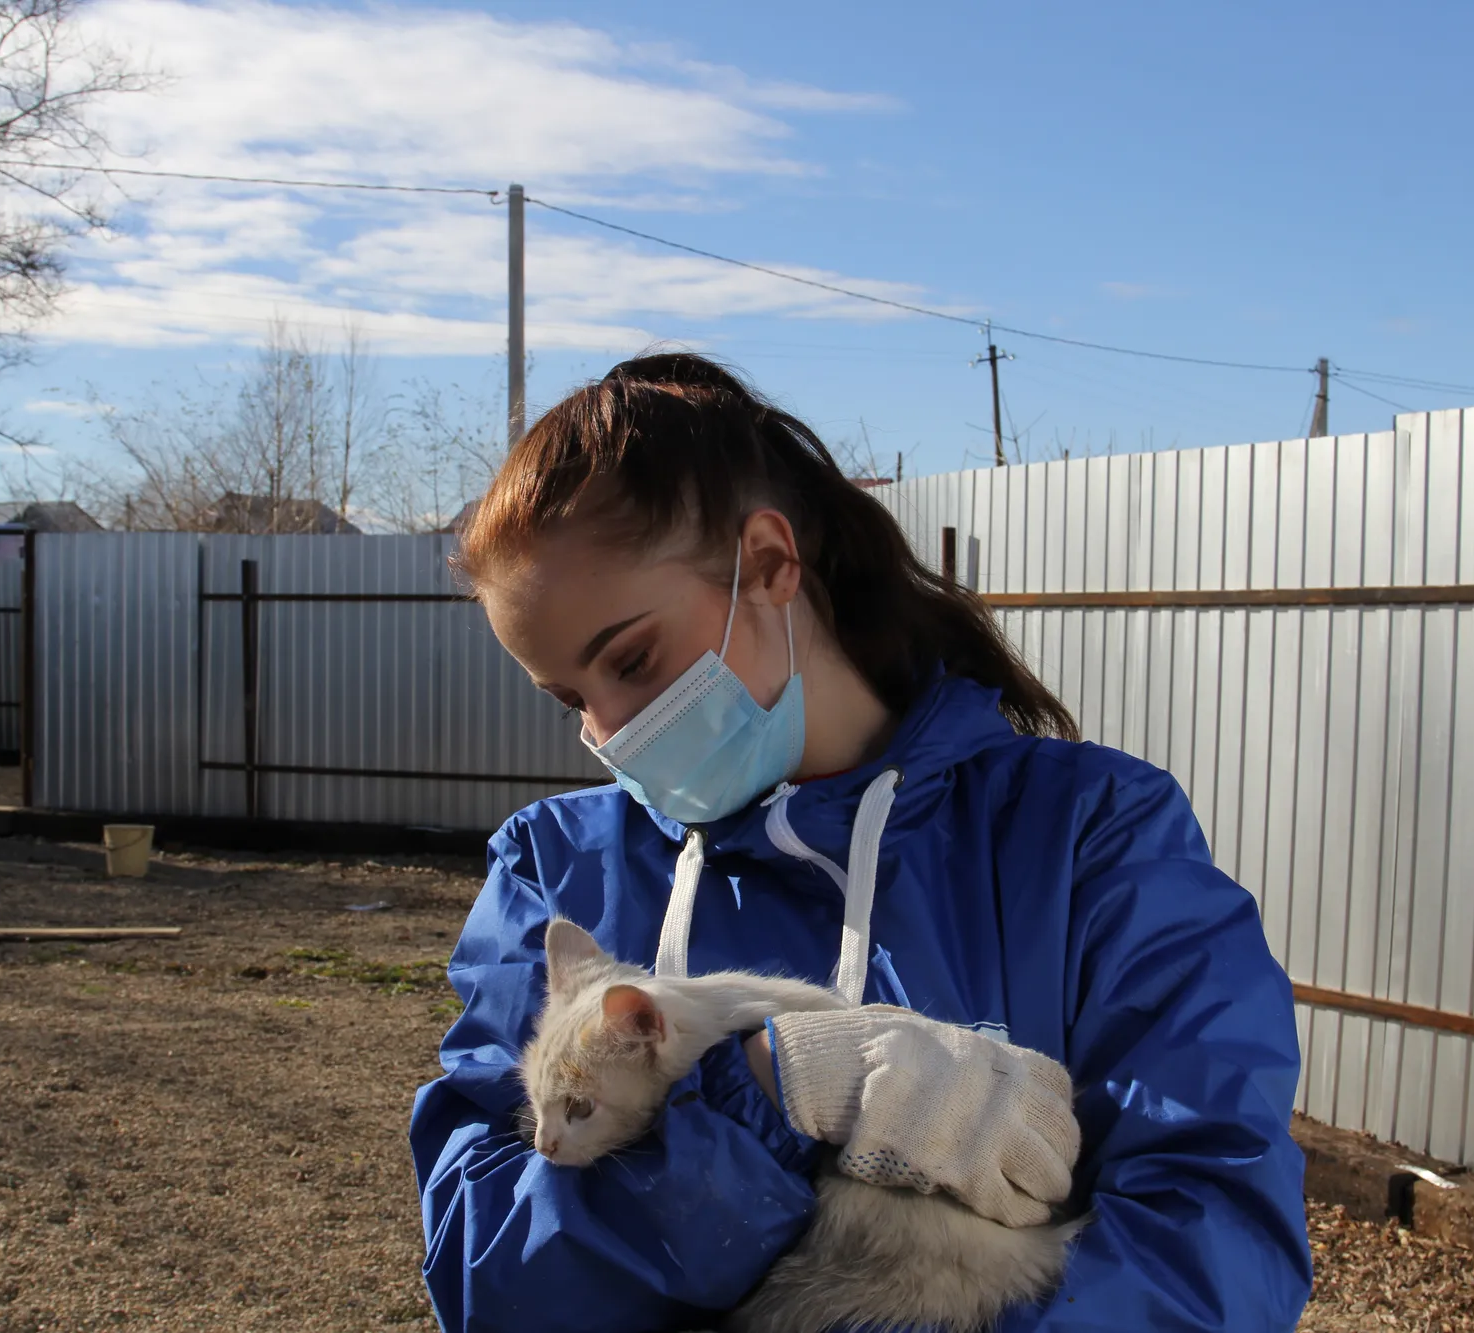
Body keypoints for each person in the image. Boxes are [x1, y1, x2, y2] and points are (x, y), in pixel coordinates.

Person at [409, 353, 1312, 1331]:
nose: (610, 730)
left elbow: (1212, 1243)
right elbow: (487, 1273)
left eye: (631, 660)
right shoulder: (555, 872)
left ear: (769, 564)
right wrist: (763, 1089)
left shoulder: (1086, 837)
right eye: (571, 700)